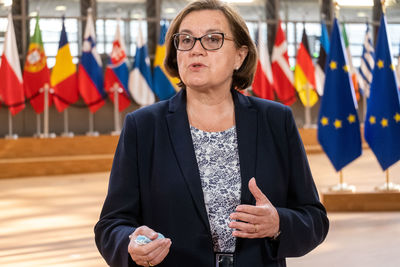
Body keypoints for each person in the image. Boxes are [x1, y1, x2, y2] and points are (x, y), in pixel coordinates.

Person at [94, 0, 329, 266]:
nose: (196, 49)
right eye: (186, 40)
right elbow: (111, 225)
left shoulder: (276, 120)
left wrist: (278, 224)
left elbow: (314, 219)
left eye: (212, 39)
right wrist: (131, 243)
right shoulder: (143, 126)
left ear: (240, 56)